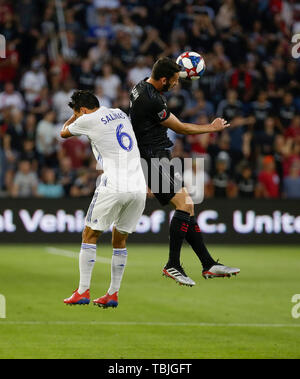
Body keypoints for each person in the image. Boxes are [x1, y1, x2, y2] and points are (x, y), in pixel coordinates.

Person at [129, 57, 240, 286]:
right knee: (185, 204)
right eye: (173, 80)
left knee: (187, 206)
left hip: (157, 156)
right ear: (162, 80)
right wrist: (212, 127)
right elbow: (181, 128)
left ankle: (208, 264)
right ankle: (173, 264)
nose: (176, 84)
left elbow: (166, 75)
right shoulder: (152, 101)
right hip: (153, 157)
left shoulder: (142, 86)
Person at [61, 90, 146, 308]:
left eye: (77, 112)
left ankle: (82, 291)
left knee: (89, 234)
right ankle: (113, 294)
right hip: (138, 186)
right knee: (120, 240)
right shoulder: (118, 112)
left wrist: (76, 116)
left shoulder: (87, 119)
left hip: (114, 184)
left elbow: (63, 133)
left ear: (82, 110)